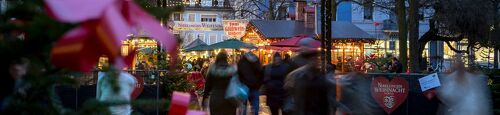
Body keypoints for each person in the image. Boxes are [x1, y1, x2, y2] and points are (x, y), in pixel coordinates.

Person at [284, 49, 337, 115]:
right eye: (313, 59)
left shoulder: (322, 79)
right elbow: (298, 99)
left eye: (316, 59)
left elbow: (326, 101)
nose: (315, 61)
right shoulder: (301, 77)